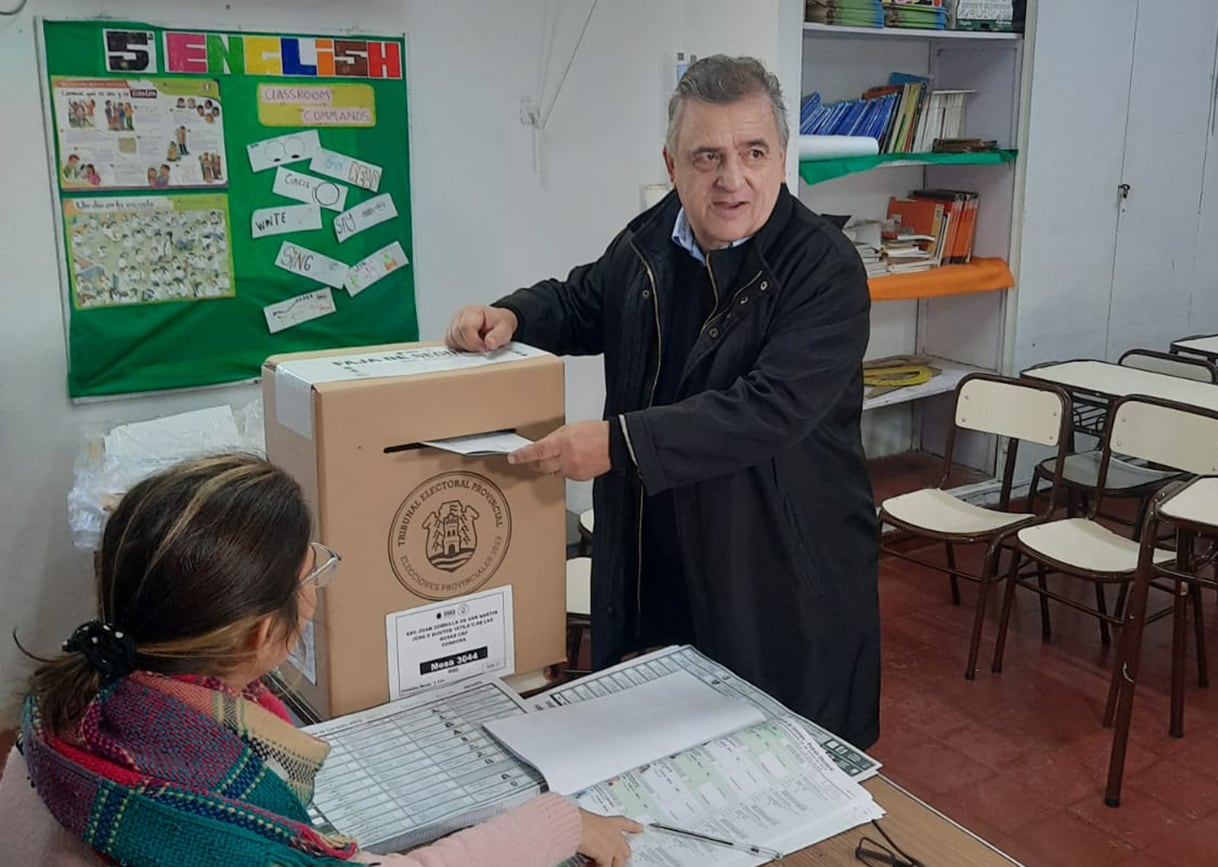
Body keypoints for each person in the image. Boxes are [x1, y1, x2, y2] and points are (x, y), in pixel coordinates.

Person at [445, 55, 880, 747]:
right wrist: (513, 316)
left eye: (753, 152)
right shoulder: (654, 237)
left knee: (779, 762)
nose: (731, 179)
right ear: (672, 163)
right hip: (661, 547)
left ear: (780, 158)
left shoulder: (823, 268)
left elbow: (766, 409)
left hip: (776, 566)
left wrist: (616, 444)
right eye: (707, 156)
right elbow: (586, 300)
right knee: (663, 749)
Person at [0, 454, 641, 866]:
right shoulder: (215, 828)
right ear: (259, 639)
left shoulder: (66, 704)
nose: (315, 589)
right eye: (312, 574)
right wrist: (559, 824)